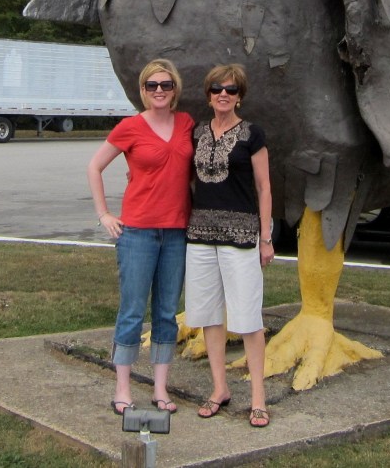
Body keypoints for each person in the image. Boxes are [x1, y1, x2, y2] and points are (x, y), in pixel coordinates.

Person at [87, 58, 194, 416]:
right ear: (143, 91)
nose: (159, 91)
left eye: (166, 85)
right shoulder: (130, 127)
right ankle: (122, 388)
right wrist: (104, 214)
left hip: (177, 232)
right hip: (137, 232)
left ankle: (161, 389)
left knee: (166, 312)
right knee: (132, 311)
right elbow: (95, 166)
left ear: (175, 89)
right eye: (152, 86)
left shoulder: (186, 123)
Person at [184, 63, 273, 428]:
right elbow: (185, 178)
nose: (224, 94)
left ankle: (258, 398)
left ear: (240, 96)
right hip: (201, 236)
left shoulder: (253, 134)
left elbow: (265, 188)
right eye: (218, 88)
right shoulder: (197, 133)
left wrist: (265, 238)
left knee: (249, 318)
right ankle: (219, 388)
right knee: (208, 315)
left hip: (241, 238)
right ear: (208, 94)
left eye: (231, 90)